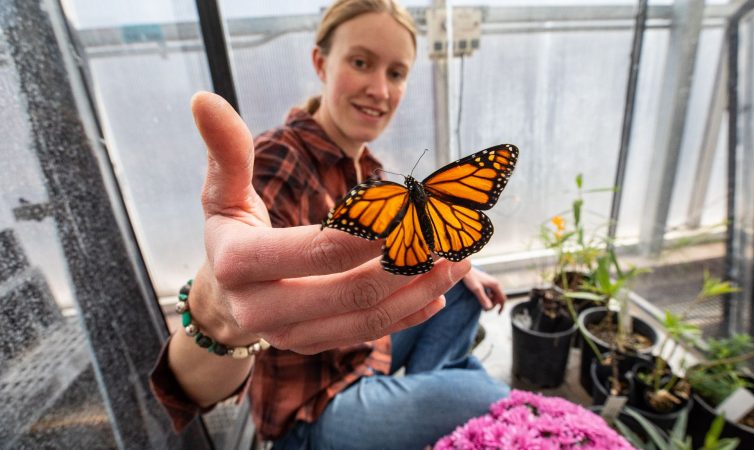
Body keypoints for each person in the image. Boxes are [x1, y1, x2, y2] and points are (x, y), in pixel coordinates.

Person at [150, 1, 509, 448]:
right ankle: (434, 400)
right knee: (486, 396)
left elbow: (411, 245)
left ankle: (424, 406)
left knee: (459, 292)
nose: (380, 89)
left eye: (396, 73)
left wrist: (461, 268)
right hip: (310, 407)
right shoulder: (276, 161)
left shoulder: (373, 173)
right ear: (321, 63)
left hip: (364, 354)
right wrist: (216, 313)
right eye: (361, 62)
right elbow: (206, 358)